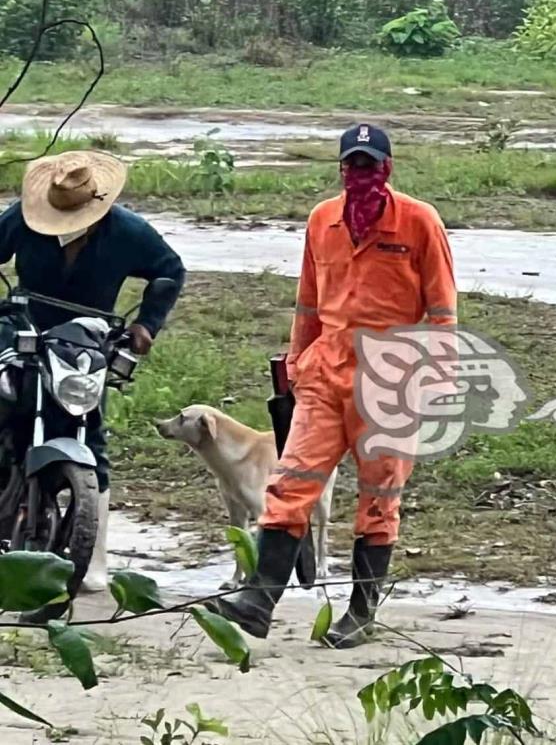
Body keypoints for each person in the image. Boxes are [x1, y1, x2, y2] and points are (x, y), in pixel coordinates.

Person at [209, 123, 457, 647]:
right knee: (291, 483)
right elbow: (307, 299)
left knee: (378, 497)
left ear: (386, 168)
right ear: (341, 168)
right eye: (353, 164)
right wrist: (297, 359)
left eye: (370, 164)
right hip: (325, 373)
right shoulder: (322, 220)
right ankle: (259, 599)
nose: (361, 173)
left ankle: (361, 612)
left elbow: (441, 309)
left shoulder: (419, 221)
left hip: (391, 381)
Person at [0, 150, 186, 593]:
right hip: (24, 331)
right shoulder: (22, 219)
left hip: (87, 339)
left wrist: (147, 323)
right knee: (6, 409)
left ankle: (96, 558)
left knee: (91, 431)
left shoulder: (127, 230)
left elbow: (169, 269)